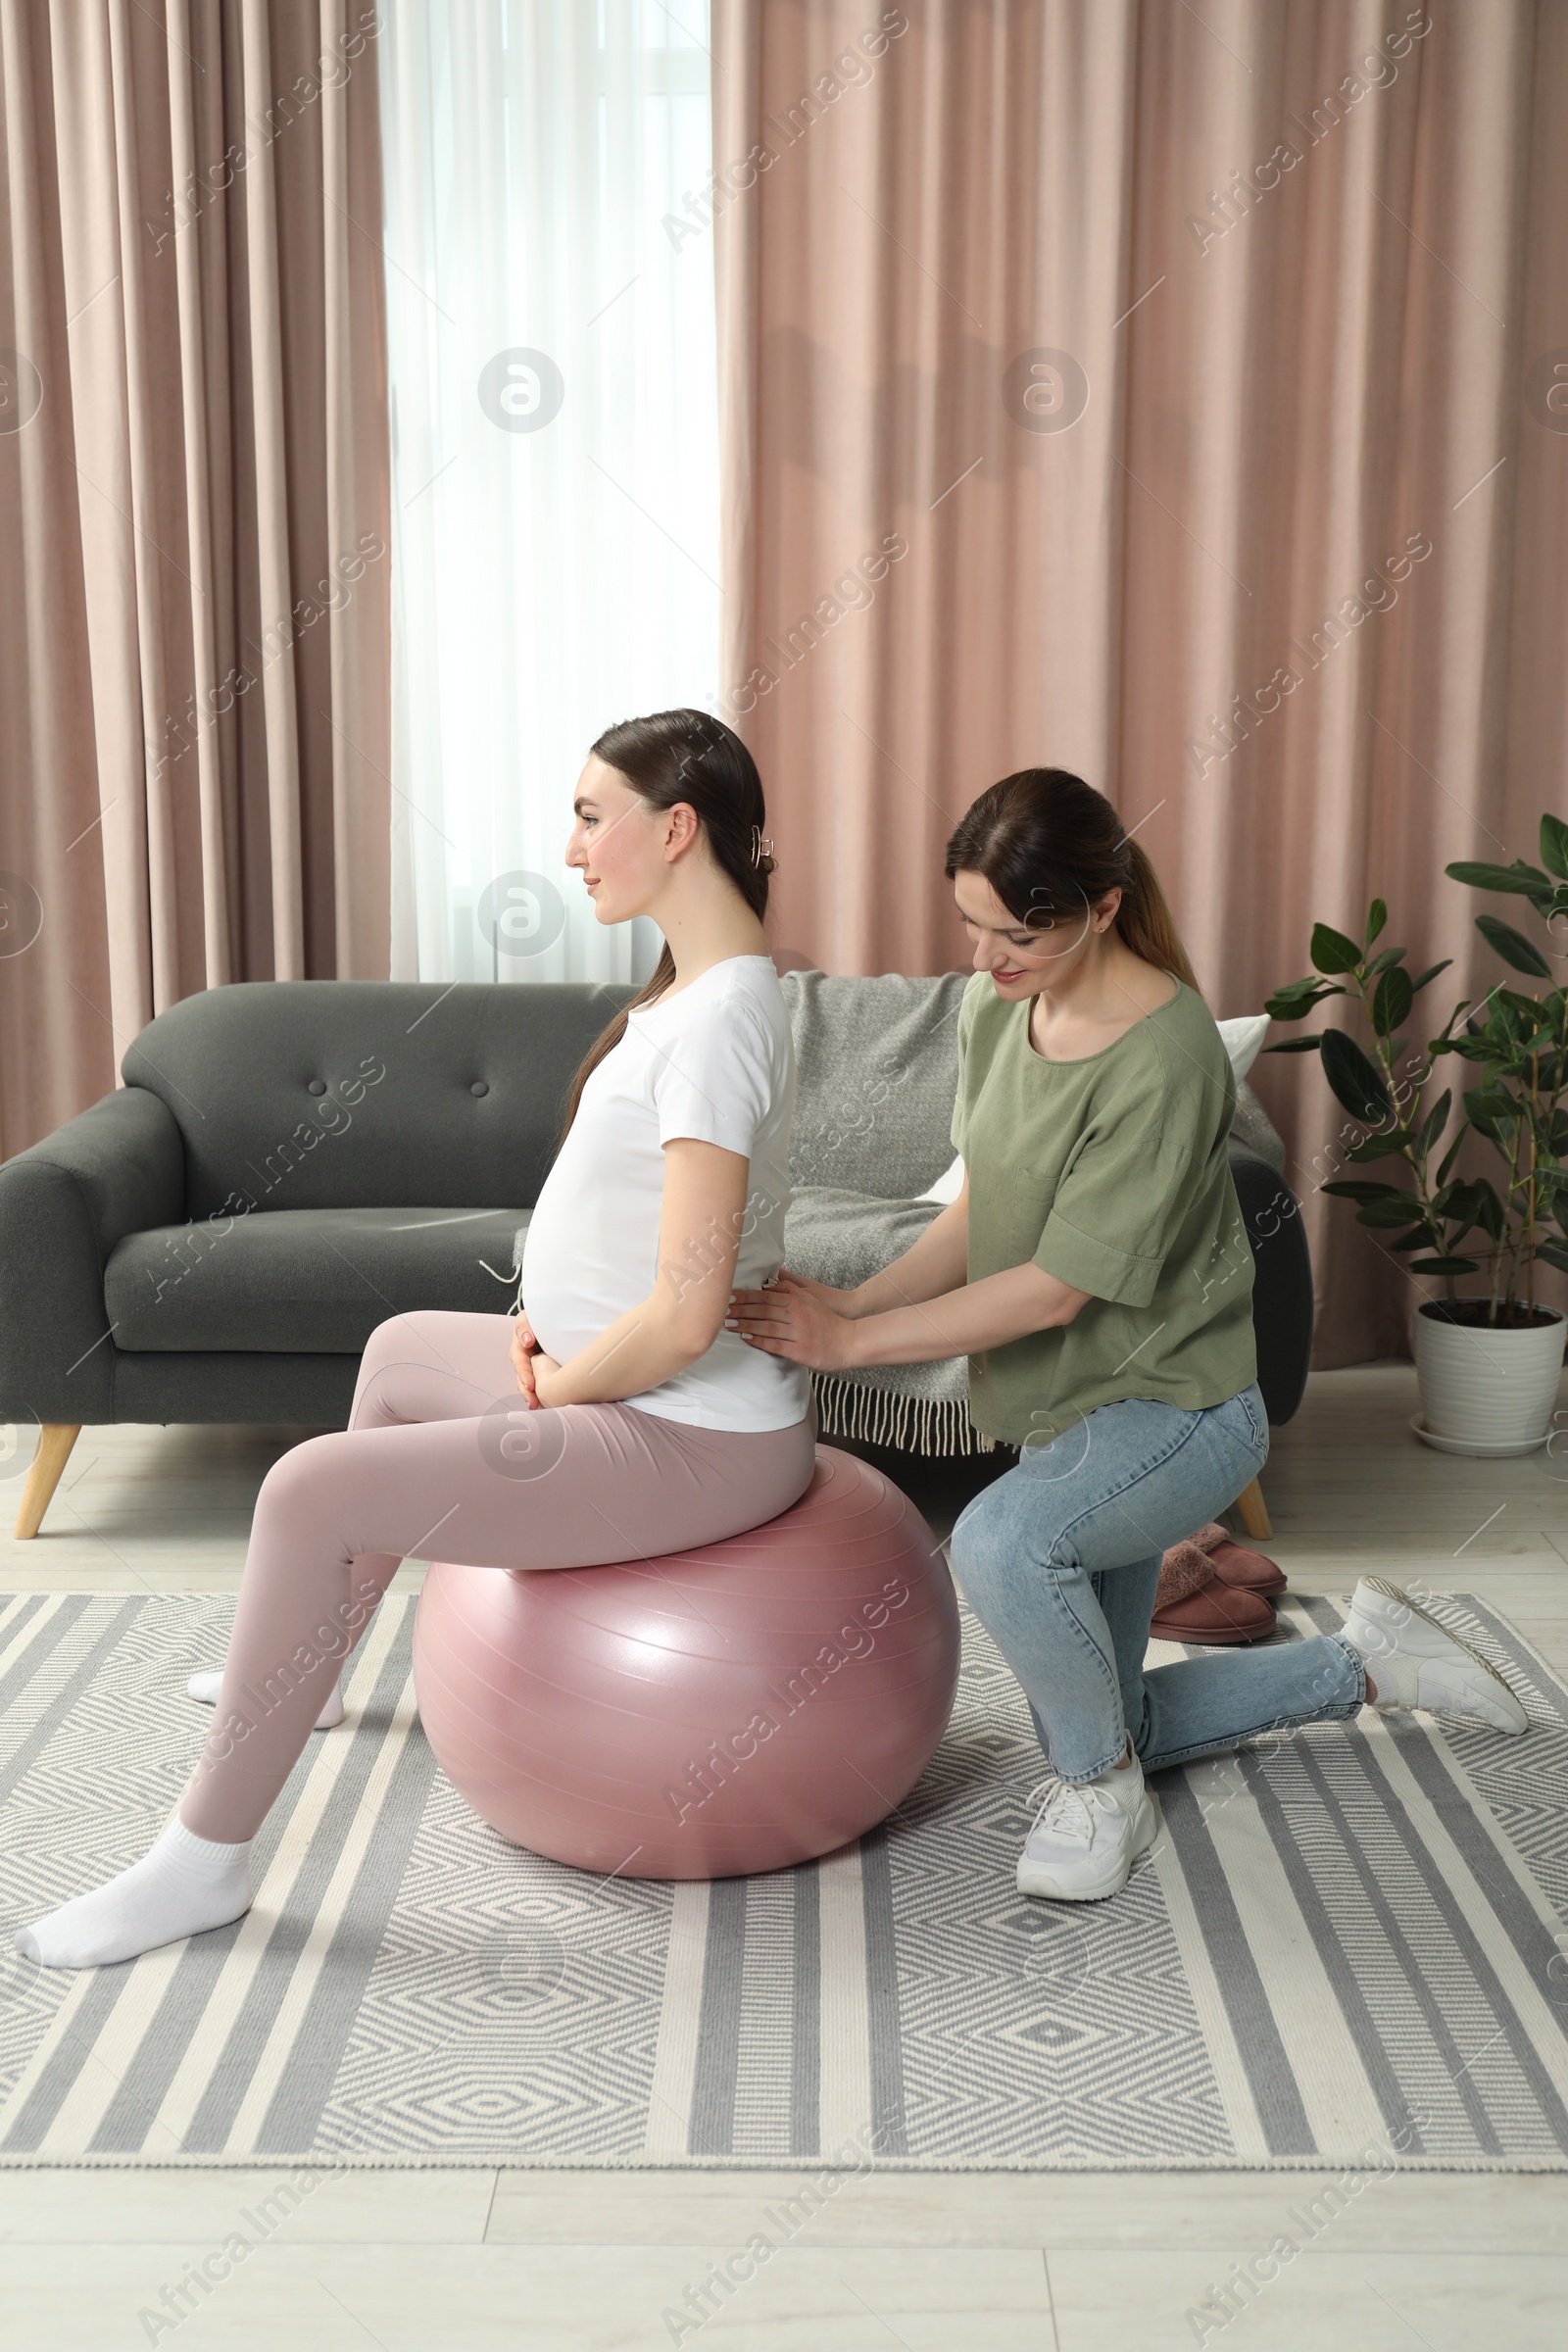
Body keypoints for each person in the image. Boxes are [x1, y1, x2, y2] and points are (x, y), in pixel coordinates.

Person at [18, 710, 814, 1969]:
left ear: (676, 828)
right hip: (643, 1395)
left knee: (307, 1492)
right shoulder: (702, 995)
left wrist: (556, 1385)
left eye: (590, 816)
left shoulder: (719, 1024)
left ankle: (202, 1863)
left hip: (681, 1431)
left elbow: (683, 1314)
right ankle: (315, 1670)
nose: (570, 849)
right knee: (396, 1353)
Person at [728, 767, 1526, 1905]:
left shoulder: (1163, 1053)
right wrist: (853, 1303)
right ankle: (1363, 1662)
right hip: (1065, 1419)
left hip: (1179, 1414)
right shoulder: (1000, 1012)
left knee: (1003, 1547)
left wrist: (856, 1348)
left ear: (1101, 906)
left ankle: (1101, 1796)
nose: (986, 959)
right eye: (971, 925)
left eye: (1020, 932)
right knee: (1122, 1706)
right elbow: (981, 1210)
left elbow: (1055, 1288)